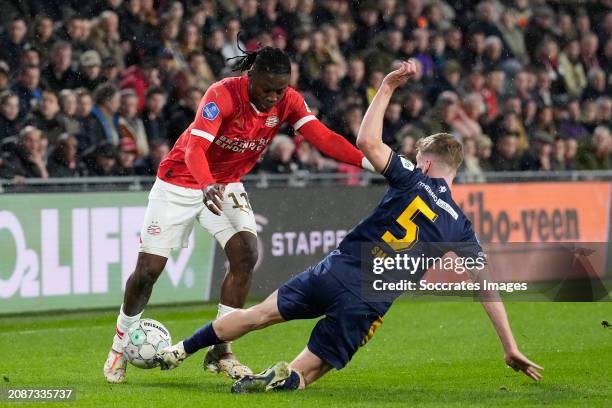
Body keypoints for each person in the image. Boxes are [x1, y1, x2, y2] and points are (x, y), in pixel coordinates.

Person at [154, 61, 543, 393]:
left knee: (257, 315)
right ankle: (283, 378)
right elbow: (486, 287)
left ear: (424, 162)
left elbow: (366, 140)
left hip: (336, 270)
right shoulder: (462, 227)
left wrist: (387, 86)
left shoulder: (411, 177)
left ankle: (182, 350)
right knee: (312, 370)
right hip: (369, 300)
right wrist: (509, 346)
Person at [103, 46, 374, 383]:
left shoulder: (288, 100)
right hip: (181, 182)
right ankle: (118, 346)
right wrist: (205, 184)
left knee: (246, 252)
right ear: (250, 78)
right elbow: (194, 149)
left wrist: (369, 161)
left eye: (280, 89)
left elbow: (322, 137)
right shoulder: (222, 95)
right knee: (147, 272)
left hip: (226, 184)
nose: (274, 97)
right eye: (267, 89)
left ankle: (221, 351)